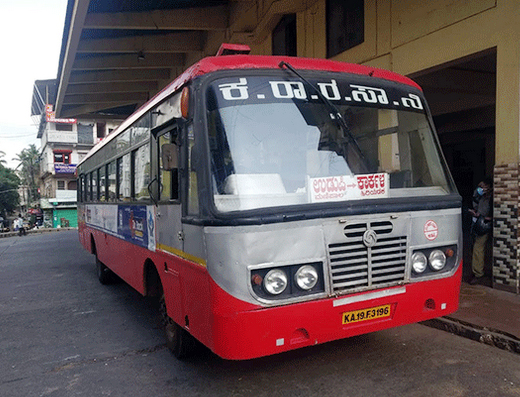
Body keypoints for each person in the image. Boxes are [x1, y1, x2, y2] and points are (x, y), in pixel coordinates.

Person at [468, 178, 492, 285]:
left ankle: (478, 273)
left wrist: (487, 217)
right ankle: (477, 271)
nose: (480, 189)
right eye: (479, 186)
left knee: (478, 248)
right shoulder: (480, 196)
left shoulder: (491, 198)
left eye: (483, 187)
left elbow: (492, 212)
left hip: (485, 225)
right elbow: (475, 206)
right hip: (477, 224)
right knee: (476, 247)